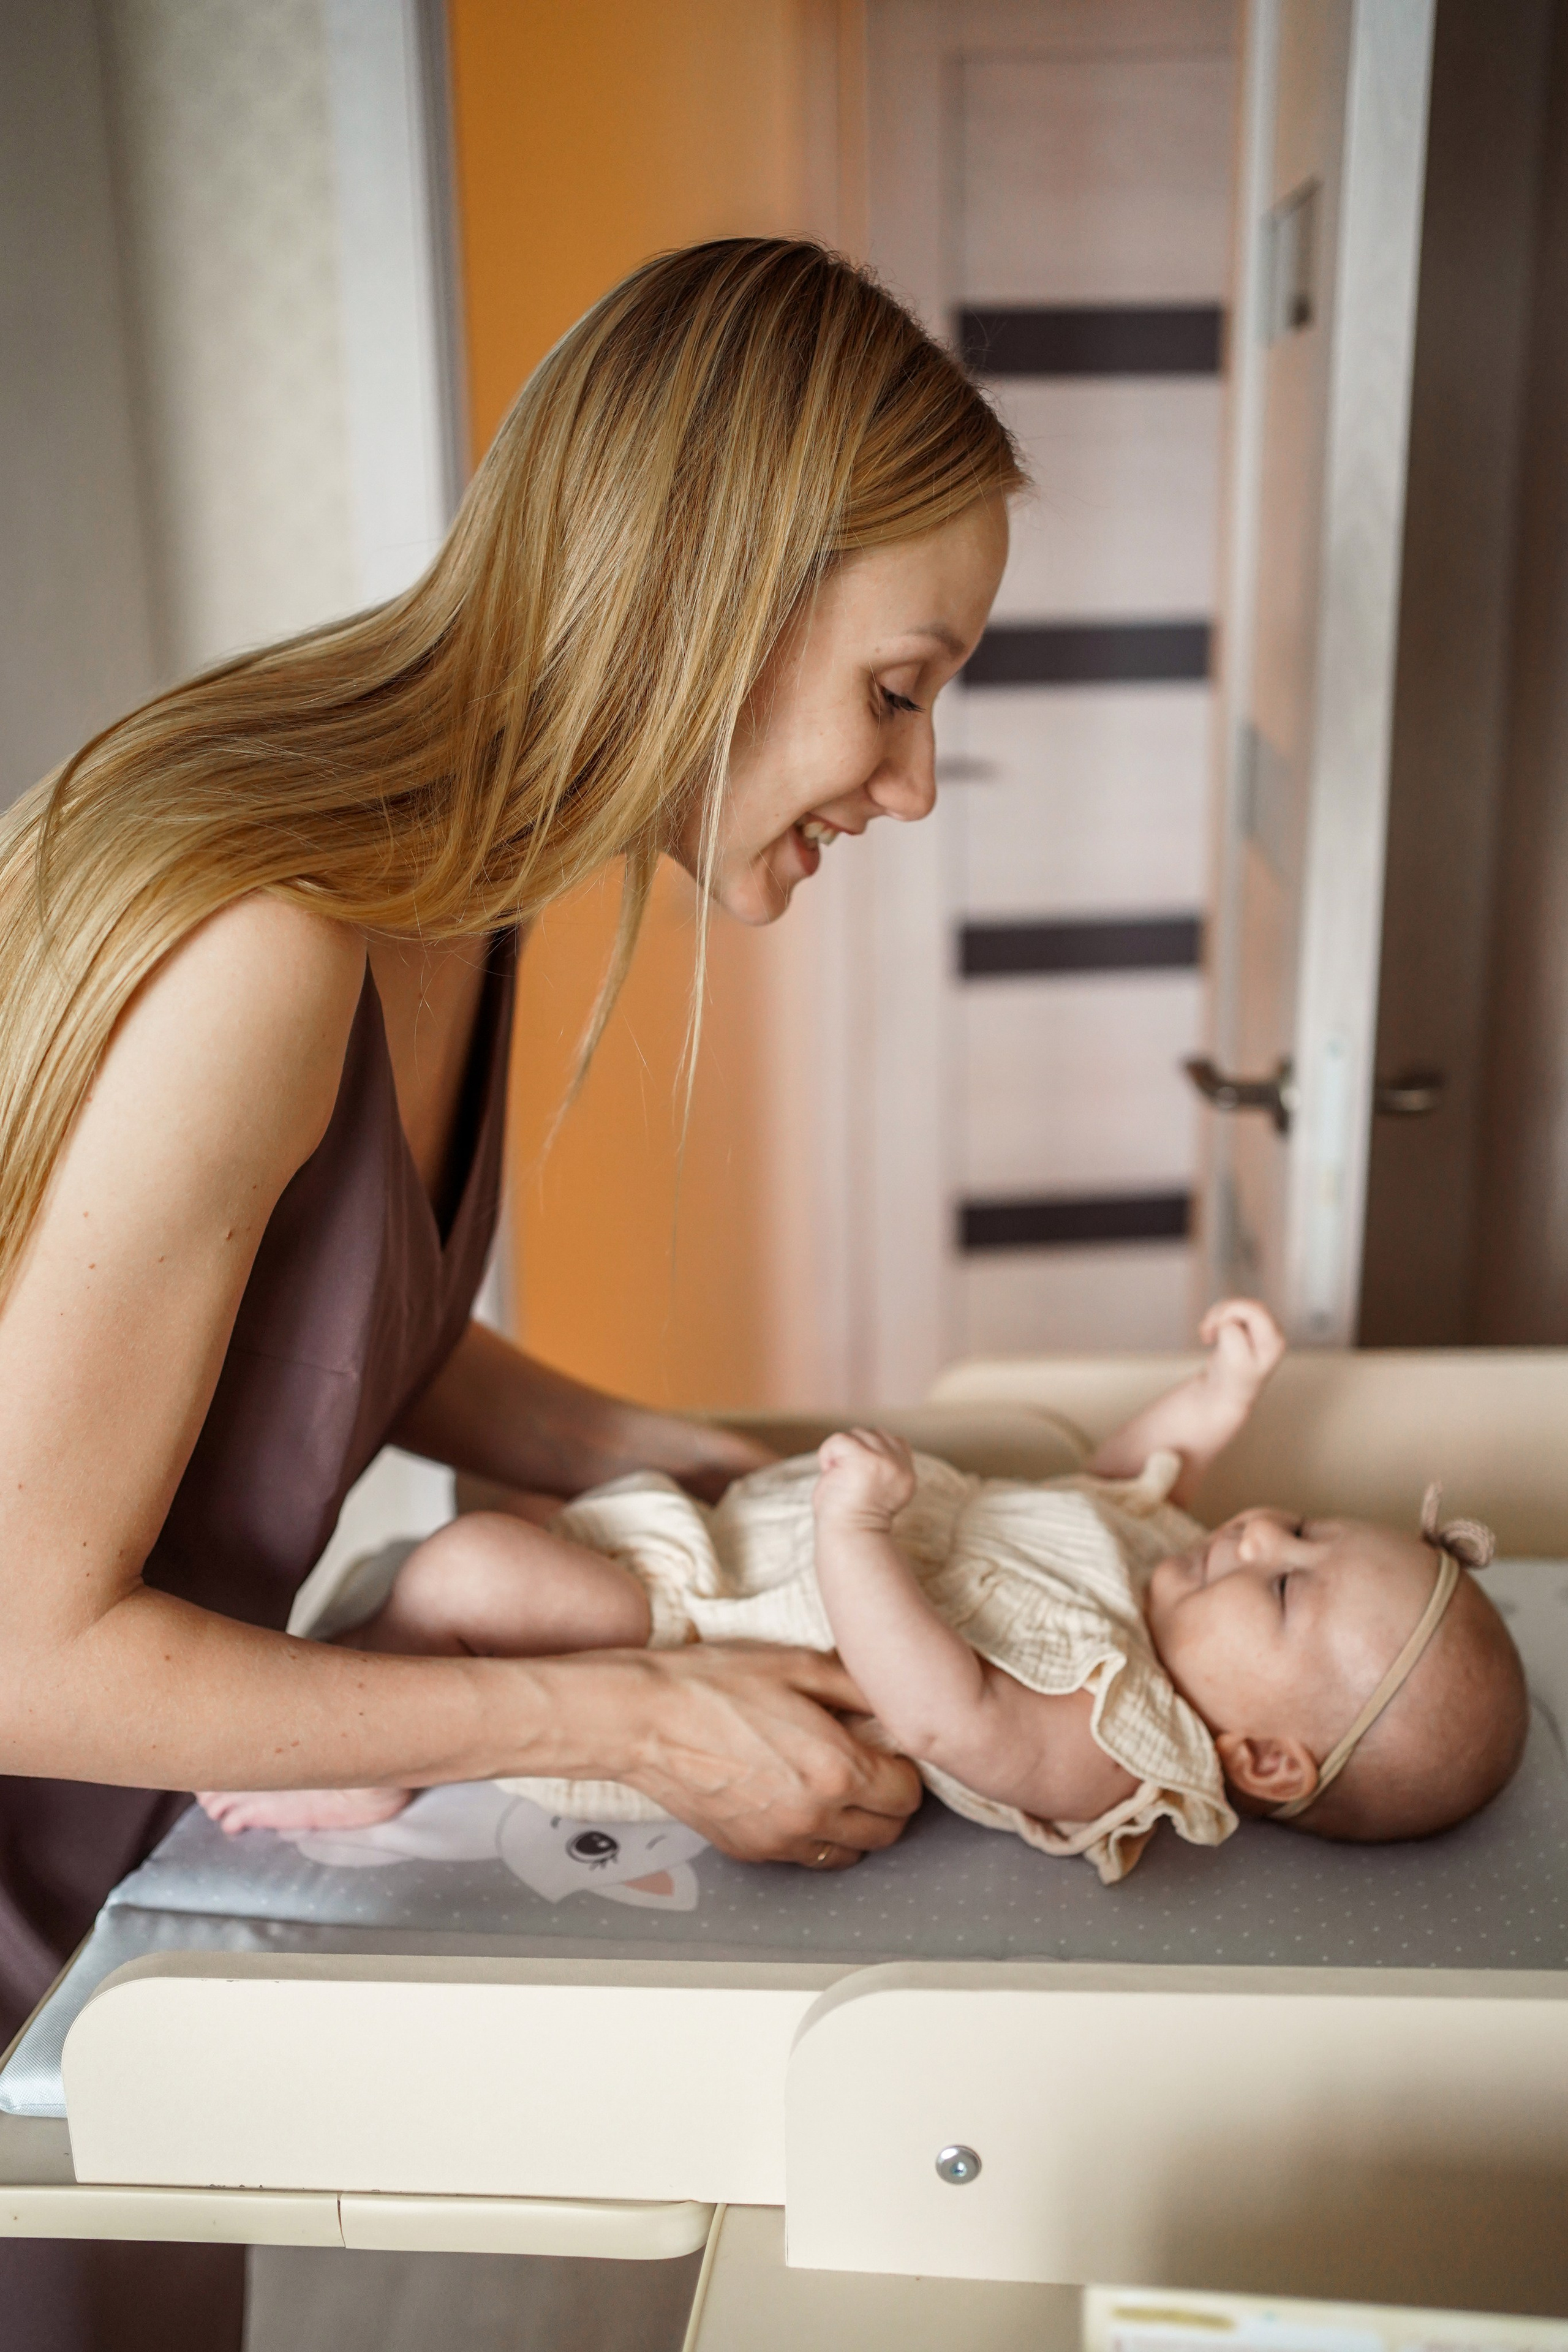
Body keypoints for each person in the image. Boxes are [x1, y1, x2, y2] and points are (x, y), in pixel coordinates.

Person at [0, 238, 1019, 2350]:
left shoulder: (460, 901)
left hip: (117, 1884)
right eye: (901, 690)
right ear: (718, 597)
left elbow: (318, 1318)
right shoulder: (273, 942)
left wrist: (681, 1461)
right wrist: (634, 1721)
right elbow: (20, 1648)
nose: (913, 783)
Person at [198, 1301, 1528, 1887]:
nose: (1249, 1533)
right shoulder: (1165, 1578)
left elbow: (944, 1713)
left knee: (468, 1567)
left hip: (700, 1642)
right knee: (514, 1539)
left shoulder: (1118, 1740)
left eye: (1282, 1589)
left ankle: (367, 1730)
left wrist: (856, 1535)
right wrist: (1216, 1401)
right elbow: (1106, 1486)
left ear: (1259, 1756)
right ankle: (408, 1654)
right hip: (715, 1541)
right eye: (1293, 1525)